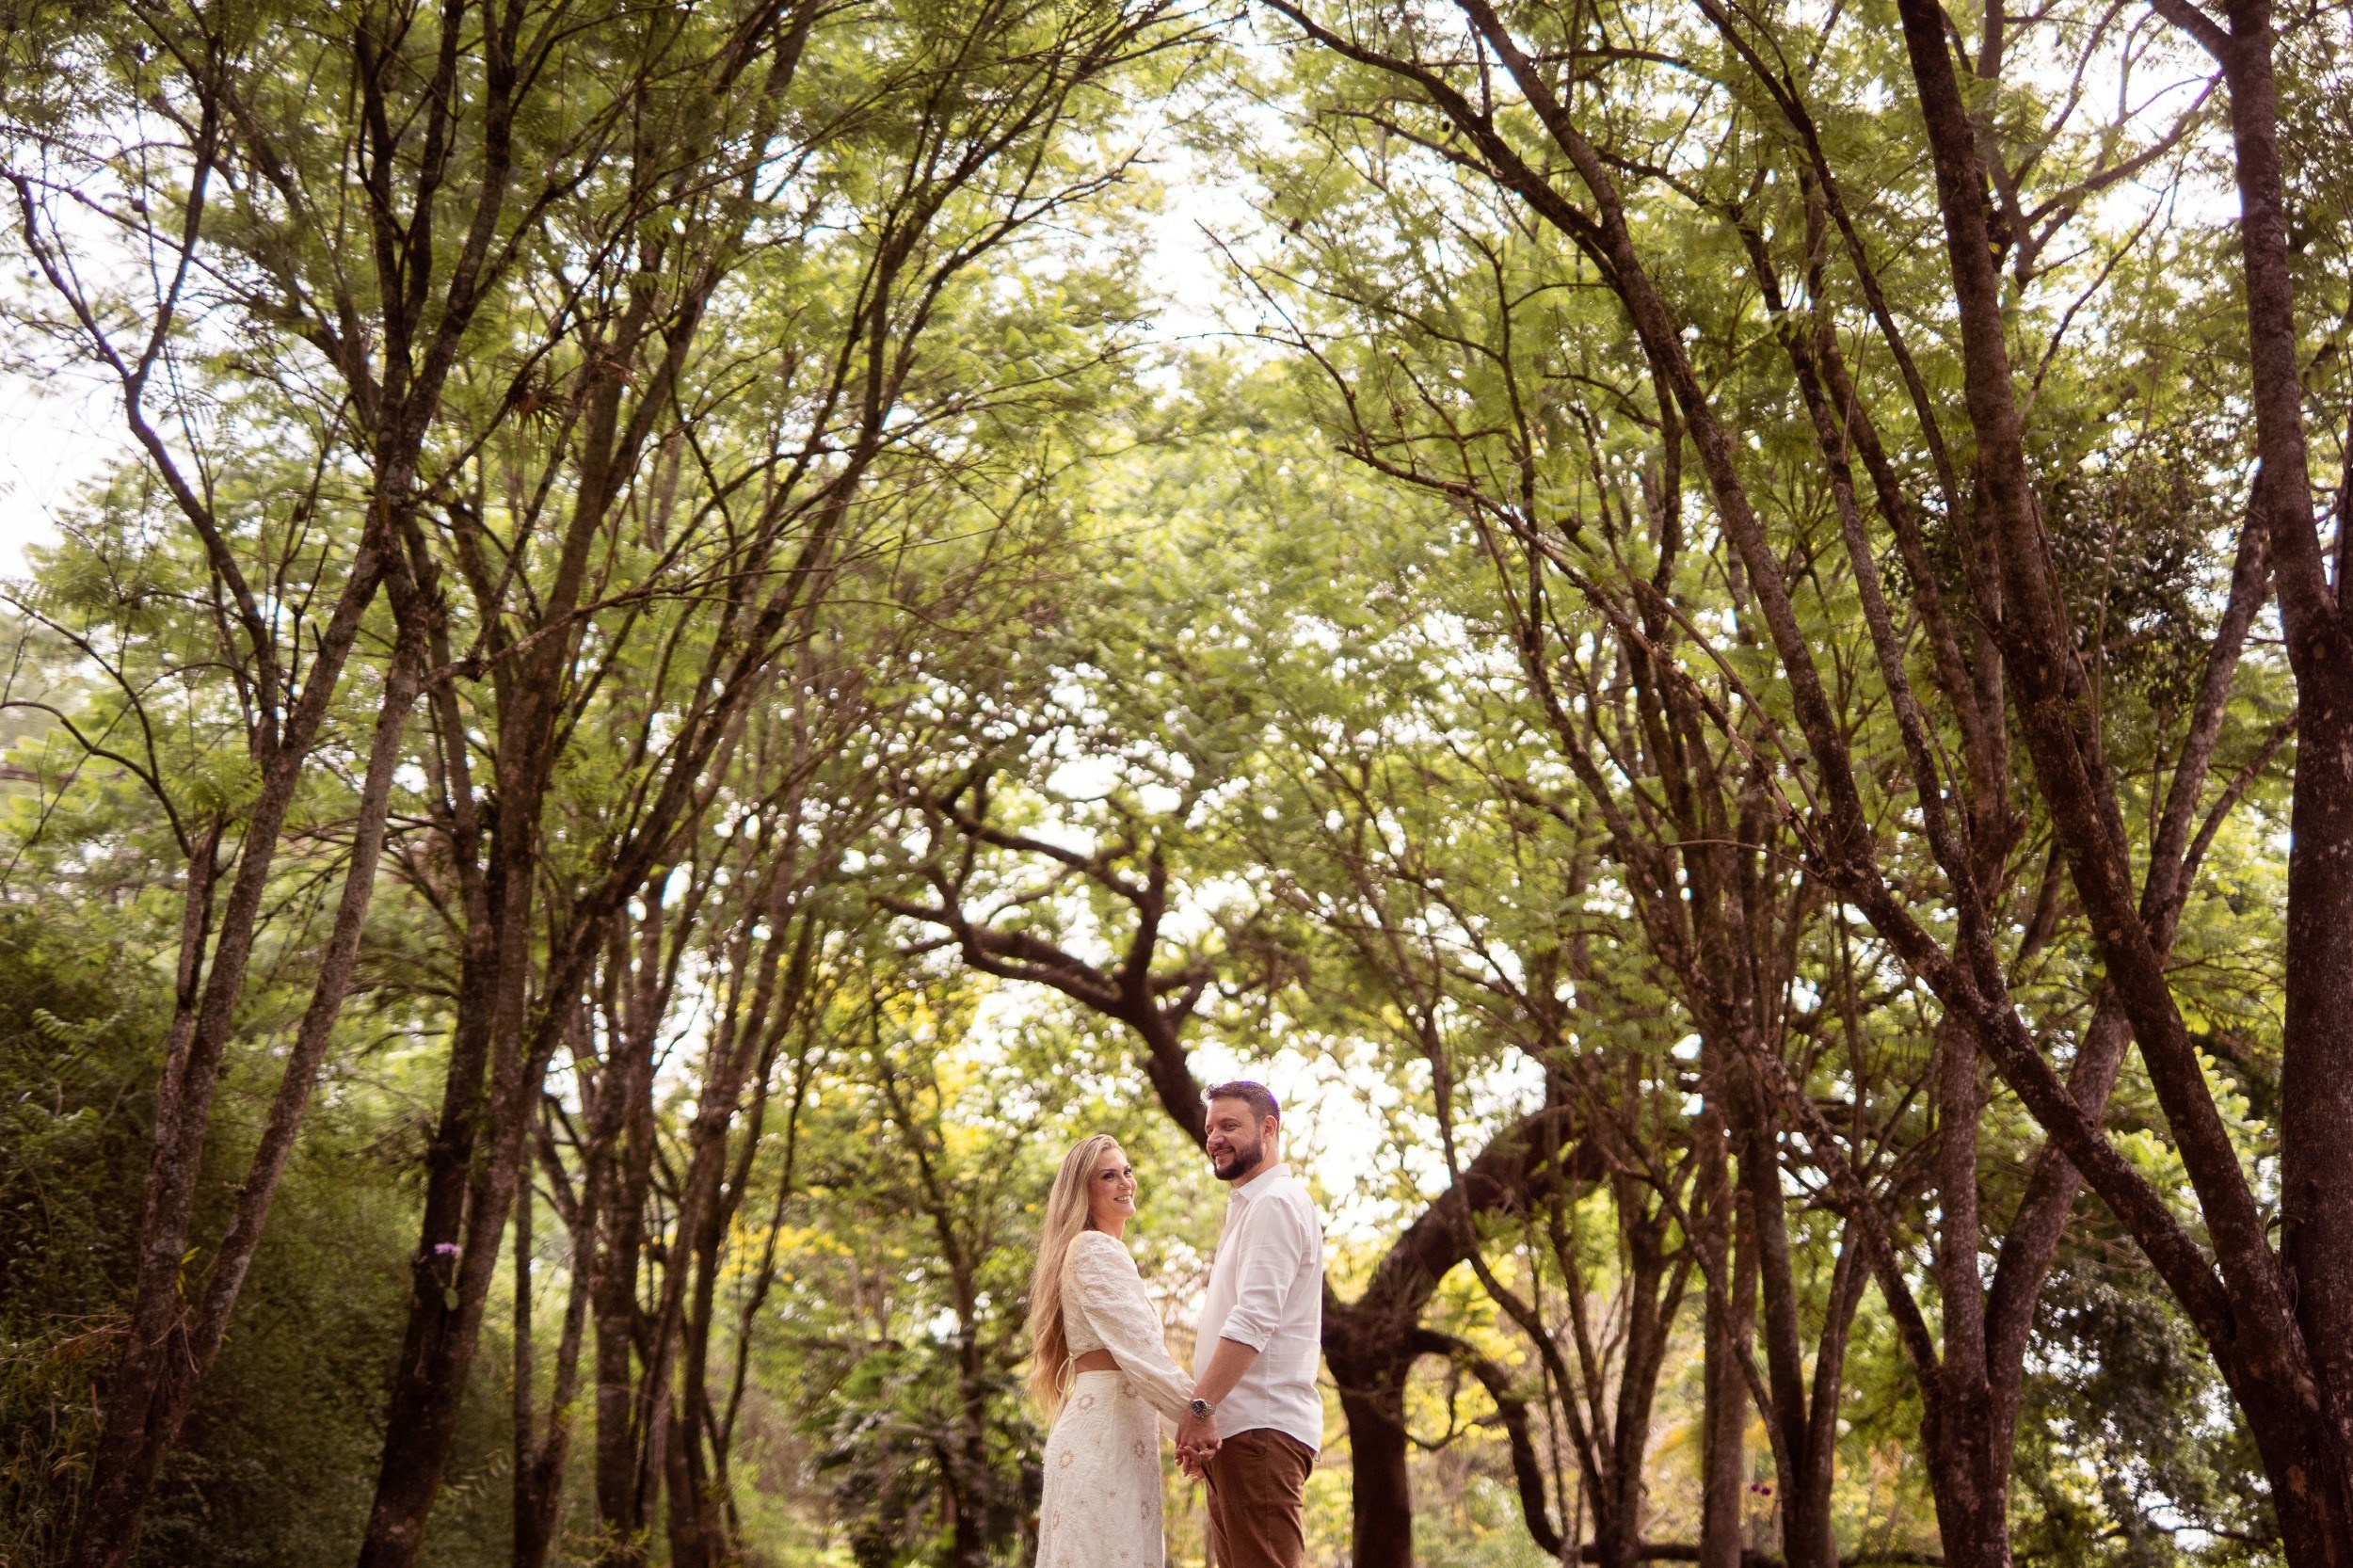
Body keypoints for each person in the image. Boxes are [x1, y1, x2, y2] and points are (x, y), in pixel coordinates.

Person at [1028, 1132, 1196, 1567]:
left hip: (1121, 1431)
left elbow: (1138, 1366)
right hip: (1103, 1439)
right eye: (1108, 1175)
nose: (1125, 1182)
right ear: (1083, 1191)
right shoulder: (1093, 1248)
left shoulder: (1103, 1250)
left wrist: (1185, 1432)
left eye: (1127, 1171)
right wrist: (1201, 1415)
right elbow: (1143, 1357)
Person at [1176, 1080, 1325, 1568]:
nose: (1215, 1137)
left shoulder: (1274, 1204)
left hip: (1261, 1431)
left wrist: (1201, 1407)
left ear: (1268, 1128)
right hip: (1237, 1435)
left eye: (1229, 1126)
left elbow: (1254, 1319)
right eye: (1210, 1128)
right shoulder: (1249, 1207)